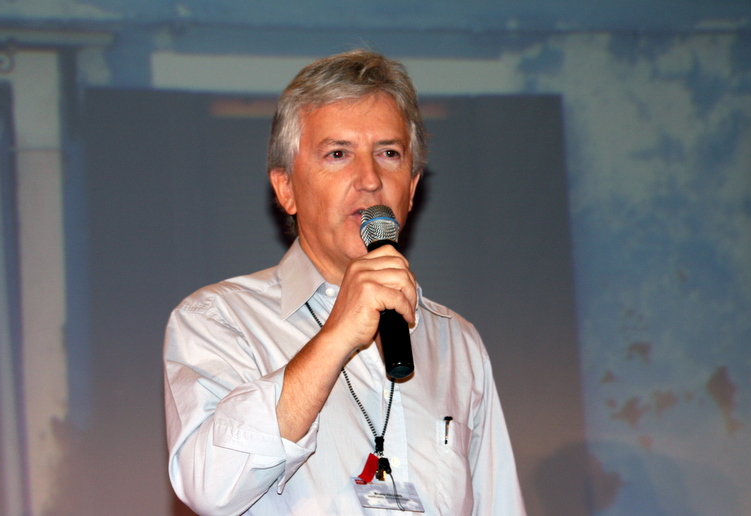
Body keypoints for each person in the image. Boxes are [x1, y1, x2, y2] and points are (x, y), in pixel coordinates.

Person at [163, 49, 526, 515]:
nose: (370, 179)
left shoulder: (456, 341)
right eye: (338, 154)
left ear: (412, 188)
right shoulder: (219, 320)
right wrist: (335, 336)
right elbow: (208, 486)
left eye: (389, 154)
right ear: (286, 188)